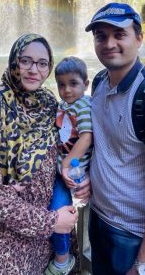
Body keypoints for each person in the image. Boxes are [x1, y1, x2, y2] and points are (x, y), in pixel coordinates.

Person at [0, 34, 90, 275]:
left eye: (42, 63)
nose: (34, 70)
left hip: (49, 243)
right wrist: (51, 222)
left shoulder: (50, 105)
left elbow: (70, 147)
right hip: (9, 246)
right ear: (14, 62)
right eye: (26, 61)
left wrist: (85, 178)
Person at [85, 2, 145, 275]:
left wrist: (144, 265)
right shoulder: (100, 83)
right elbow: (105, 147)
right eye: (101, 36)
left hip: (136, 236)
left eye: (120, 34)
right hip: (100, 222)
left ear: (139, 39)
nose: (109, 43)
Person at [45, 56, 93, 275]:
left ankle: (63, 260)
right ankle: (63, 258)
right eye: (61, 85)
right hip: (63, 174)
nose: (66, 90)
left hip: (74, 173)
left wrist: (64, 164)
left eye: (73, 84)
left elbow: (86, 138)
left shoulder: (83, 106)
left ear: (86, 84)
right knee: (57, 213)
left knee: (59, 211)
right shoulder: (65, 105)